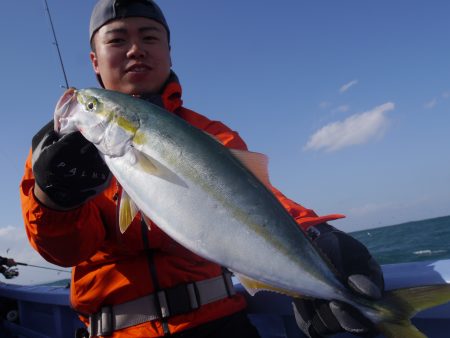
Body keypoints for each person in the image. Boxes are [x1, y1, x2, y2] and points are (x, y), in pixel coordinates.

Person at [20, 1, 384, 337]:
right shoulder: (54, 153)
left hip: (220, 323)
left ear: (168, 51)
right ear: (95, 60)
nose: (135, 49)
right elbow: (64, 252)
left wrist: (314, 234)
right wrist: (54, 199)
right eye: (117, 40)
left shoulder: (210, 134)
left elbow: (258, 200)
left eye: (149, 37)